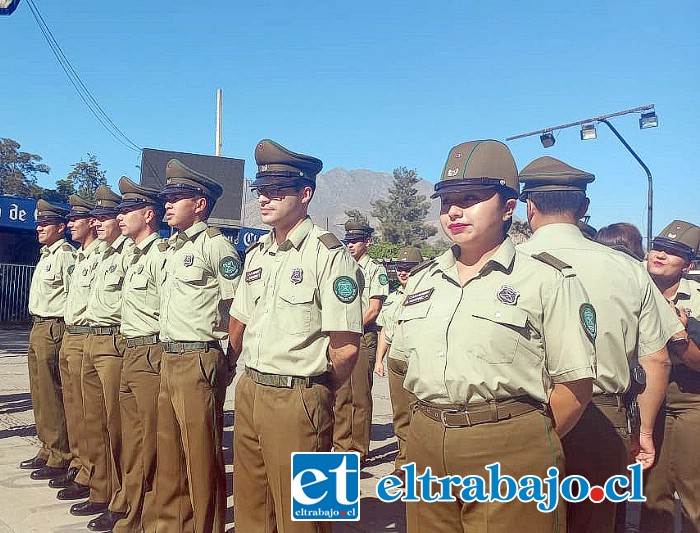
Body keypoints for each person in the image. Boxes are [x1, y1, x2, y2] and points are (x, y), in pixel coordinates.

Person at [391, 139, 596, 533]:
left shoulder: (546, 280)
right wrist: (413, 440)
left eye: (470, 198)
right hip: (427, 442)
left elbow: (576, 383)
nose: (453, 211)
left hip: (509, 445)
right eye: (446, 200)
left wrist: (529, 442)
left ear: (508, 207)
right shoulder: (423, 281)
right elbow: (400, 366)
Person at [517, 156, 680, 533]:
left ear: (530, 207)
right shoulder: (629, 270)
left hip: (526, 418)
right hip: (603, 421)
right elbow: (657, 361)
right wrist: (642, 435)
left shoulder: (508, 264)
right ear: (585, 208)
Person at [229, 139, 363, 533]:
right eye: (262, 192)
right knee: (253, 507)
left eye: (277, 191)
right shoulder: (257, 253)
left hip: (300, 394)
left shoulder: (330, 254)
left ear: (305, 194)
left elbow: (346, 347)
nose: (265, 200)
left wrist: (317, 387)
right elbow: (241, 317)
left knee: (311, 516)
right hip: (251, 388)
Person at [155, 158, 241, 533]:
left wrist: (229, 358)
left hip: (197, 357)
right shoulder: (171, 248)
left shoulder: (216, 246)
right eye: (167, 198)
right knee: (170, 454)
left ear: (200, 204)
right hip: (168, 355)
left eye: (178, 197)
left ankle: (205, 525)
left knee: (201, 455)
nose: (168, 205)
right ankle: (173, 524)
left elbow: (238, 307)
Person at [113, 177, 167, 533]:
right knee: (131, 440)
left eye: (128, 210)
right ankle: (131, 507)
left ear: (148, 215)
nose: (120, 216)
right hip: (131, 349)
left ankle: (146, 513)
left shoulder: (161, 255)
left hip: (151, 350)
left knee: (151, 442)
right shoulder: (132, 255)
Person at [78, 185, 134, 531]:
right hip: (93, 338)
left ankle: (124, 497)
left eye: (104, 217)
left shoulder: (325, 252)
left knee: (119, 426)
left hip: (308, 381)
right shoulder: (103, 255)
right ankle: (103, 489)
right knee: (95, 422)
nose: (96, 223)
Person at [641, 220, 700, 533]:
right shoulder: (631, 283)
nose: (661, 254)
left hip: (689, 396)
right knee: (652, 490)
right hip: (645, 395)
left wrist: (678, 336)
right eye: (658, 247)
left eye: (673, 252)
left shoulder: (697, 296)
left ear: (687, 264)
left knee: (694, 487)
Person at [21, 200, 74, 482]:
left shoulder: (66, 256)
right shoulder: (46, 254)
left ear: (61, 227)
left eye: (45, 224)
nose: (39, 228)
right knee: (40, 394)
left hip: (54, 326)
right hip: (38, 325)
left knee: (53, 394)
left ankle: (60, 453)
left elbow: (72, 295)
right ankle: (46, 447)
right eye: (38, 224)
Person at [57, 194, 106, 503]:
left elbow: (232, 309)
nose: (70, 224)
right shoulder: (80, 257)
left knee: (98, 419)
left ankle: (99, 478)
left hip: (99, 338)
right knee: (77, 412)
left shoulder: (110, 254)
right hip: (74, 334)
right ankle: (82, 467)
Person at [333, 220, 388, 463]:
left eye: (355, 241)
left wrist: (350, 328)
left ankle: (358, 448)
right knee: (341, 394)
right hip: (341, 336)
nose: (351, 245)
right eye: (348, 241)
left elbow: (373, 310)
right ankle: (341, 444)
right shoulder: (342, 266)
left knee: (360, 396)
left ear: (368, 242)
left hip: (363, 335)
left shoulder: (375, 270)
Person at [373, 246, 422, 480]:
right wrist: (379, 360)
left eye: (409, 269)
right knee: (400, 413)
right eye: (400, 268)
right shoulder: (393, 298)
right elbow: (384, 331)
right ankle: (404, 462)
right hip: (395, 357)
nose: (403, 273)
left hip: (418, 359)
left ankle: (421, 462)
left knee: (420, 414)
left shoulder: (427, 295)